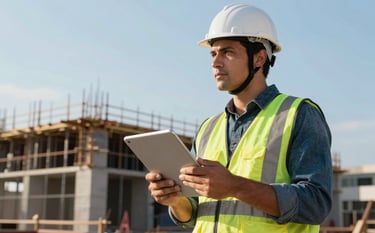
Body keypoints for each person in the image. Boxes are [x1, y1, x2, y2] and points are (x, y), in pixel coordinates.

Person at [146, 3, 332, 233]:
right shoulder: (208, 128)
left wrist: (235, 186)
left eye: (227, 52)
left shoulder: (298, 114)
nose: (215, 62)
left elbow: (316, 204)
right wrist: (175, 201)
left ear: (259, 58)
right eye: (213, 53)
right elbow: (194, 213)